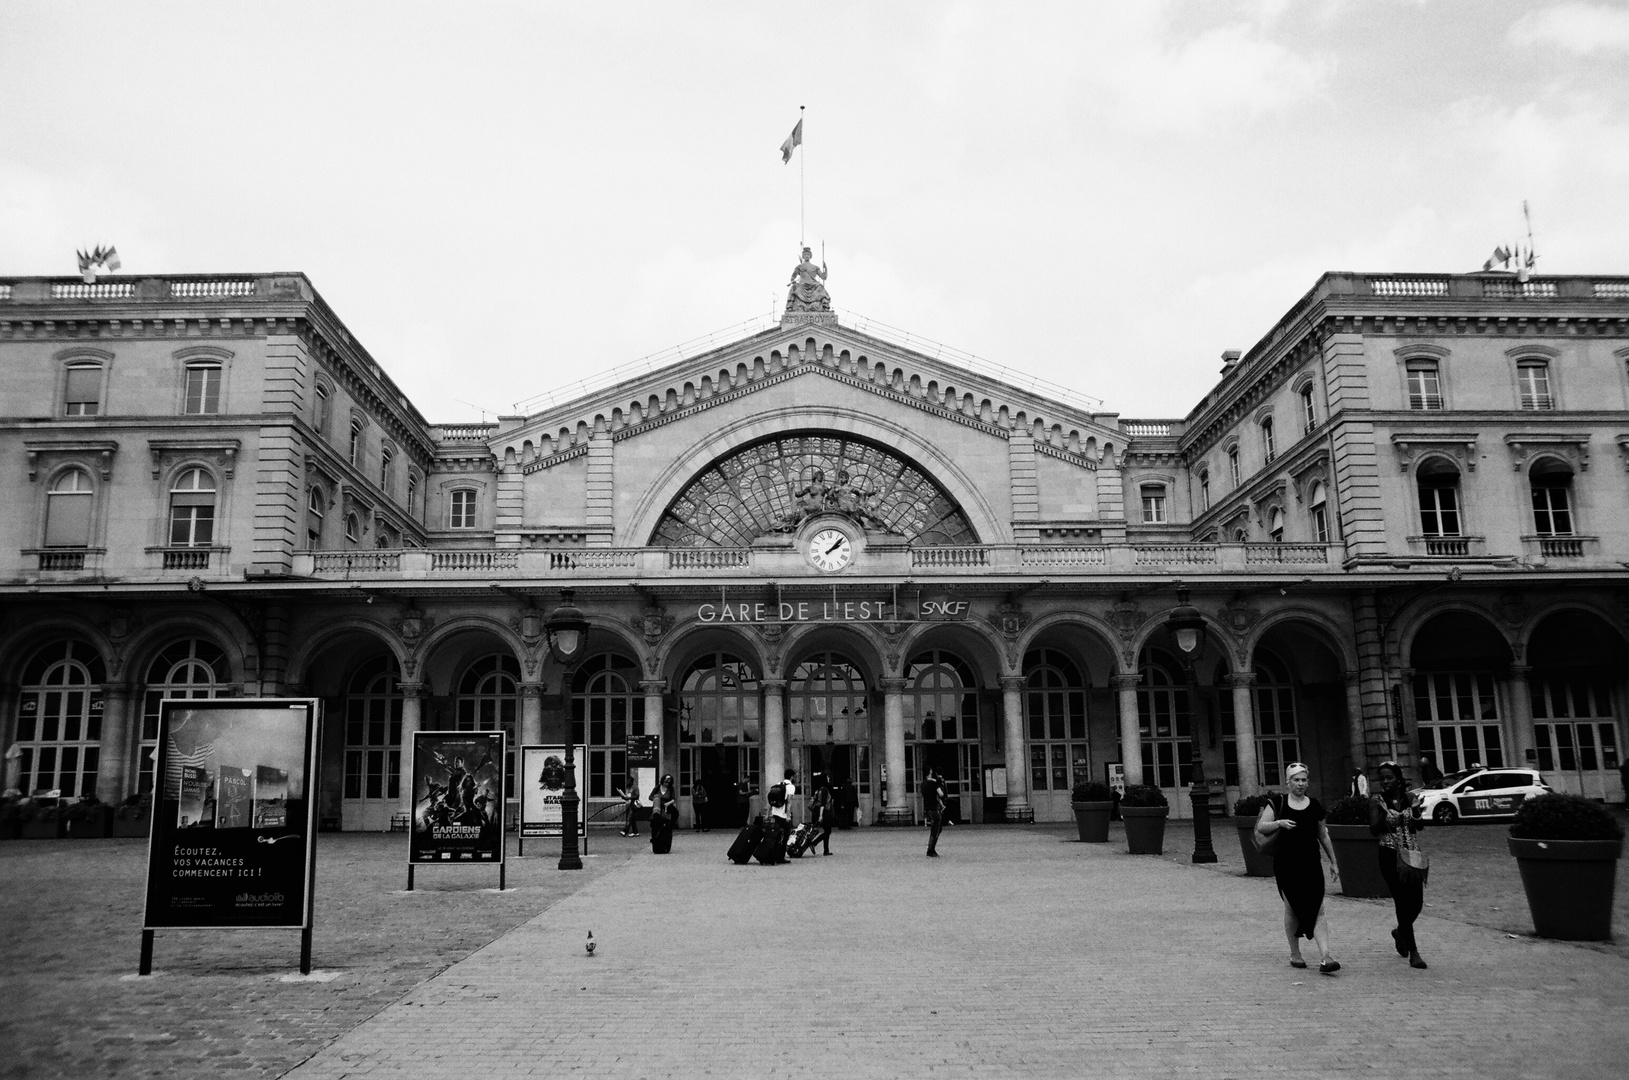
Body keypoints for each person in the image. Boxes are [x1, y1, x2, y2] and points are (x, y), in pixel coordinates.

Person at [1255, 762, 1341, 973]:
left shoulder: (1314, 805)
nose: (1300, 784)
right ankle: (1295, 953)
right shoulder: (1278, 802)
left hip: (1310, 864)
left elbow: (1323, 835)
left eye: (1303, 780)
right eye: (1296, 780)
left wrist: (1333, 862)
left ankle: (1325, 956)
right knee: (1292, 908)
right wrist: (1279, 823)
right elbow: (1261, 826)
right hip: (1286, 865)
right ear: (1288, 782)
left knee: (1318, 908)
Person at [1370, 761, 1429, 969]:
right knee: (1402, 902)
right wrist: (1384, 814)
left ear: (1398, 779)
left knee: (1417, 903)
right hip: (1389, 856)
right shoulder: (1377, 801)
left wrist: (1415, 812)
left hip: (1412, 855)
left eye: (1389, 777)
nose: (1385, 782)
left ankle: (1401, 931)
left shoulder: (1410, 798)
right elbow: (1374, 831)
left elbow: (1419, 826)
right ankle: (1414, 952)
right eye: (1382, 778)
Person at [649, 774, 677, 854]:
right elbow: (650, 796)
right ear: (662, 781)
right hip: (657, 807)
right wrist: (657, 799)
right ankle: (655, 837)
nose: (667, 784)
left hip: (667, 807)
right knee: (654, 821)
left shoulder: (671, 789)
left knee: (668, 821)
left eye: (668, 783)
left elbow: (673, 799)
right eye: (665, 782)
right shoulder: (658, 787)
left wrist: (668, 803)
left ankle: (666, 840)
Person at [923, 767, 946, 857]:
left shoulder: (923, 783)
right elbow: (941, 794)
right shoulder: (933, 783)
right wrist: (940, 784)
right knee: (935, 830)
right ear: (930, 772)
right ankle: (931, 850)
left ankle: (931, 849)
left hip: (927, 808)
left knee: (936, 829)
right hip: (934, 808)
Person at [808, 774, 834, 856]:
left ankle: (826, 850)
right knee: (828, 831)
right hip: (825, 811)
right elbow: (823, 803)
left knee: (827, 831)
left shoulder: (818, 789)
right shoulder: (825, 790)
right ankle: (814, 843)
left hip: (817, 810)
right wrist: (821, 815)